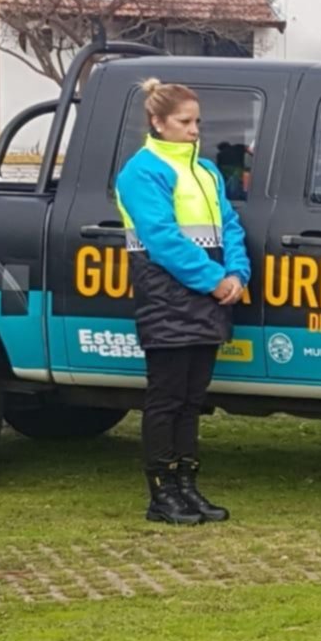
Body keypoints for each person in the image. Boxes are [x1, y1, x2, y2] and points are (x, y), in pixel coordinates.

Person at [115, 79, 251, 525]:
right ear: (157, 122)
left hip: (207, 295)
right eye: (185, 121)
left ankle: (187, 487)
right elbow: (162, 239)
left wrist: (237, 274)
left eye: (198, 121)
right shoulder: (142, 171)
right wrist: (215, 281)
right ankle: (161, 493)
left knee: (193, 399)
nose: (195, 130)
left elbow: (229, 225)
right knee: (166, 398)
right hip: (167, 295)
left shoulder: (207, 171)